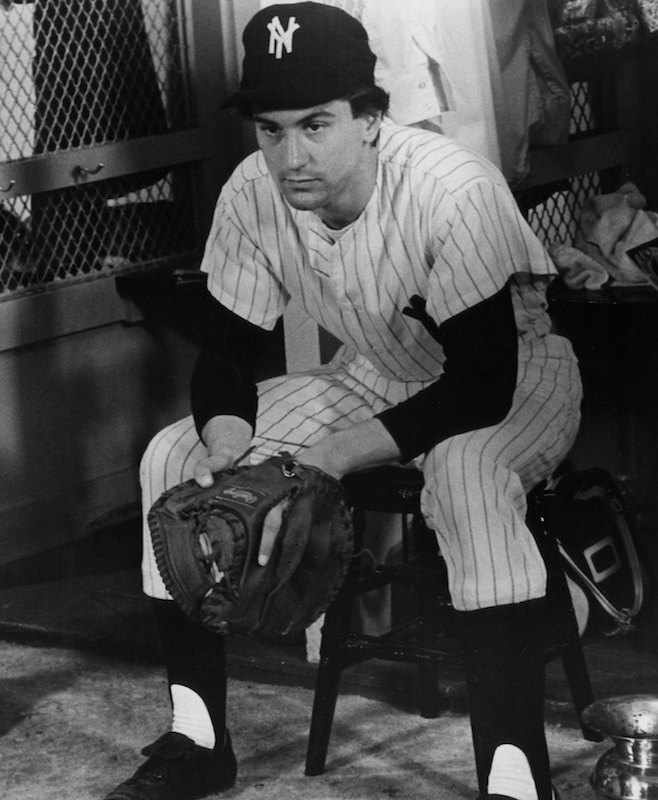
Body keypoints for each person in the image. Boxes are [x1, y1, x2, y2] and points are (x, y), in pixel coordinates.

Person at [104, 4, 582, 799]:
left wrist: (326, 457)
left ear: (369, 117)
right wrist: (227, 435)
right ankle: (199, 739)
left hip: (520, 377)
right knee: (173, 454)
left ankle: (516, 776)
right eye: (270, 129)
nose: (290, 155)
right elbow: (227, 347)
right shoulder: (254, 190)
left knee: (464, 475)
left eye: (316, 124)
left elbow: (480, 382)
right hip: (375, 373)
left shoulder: (451, 186)